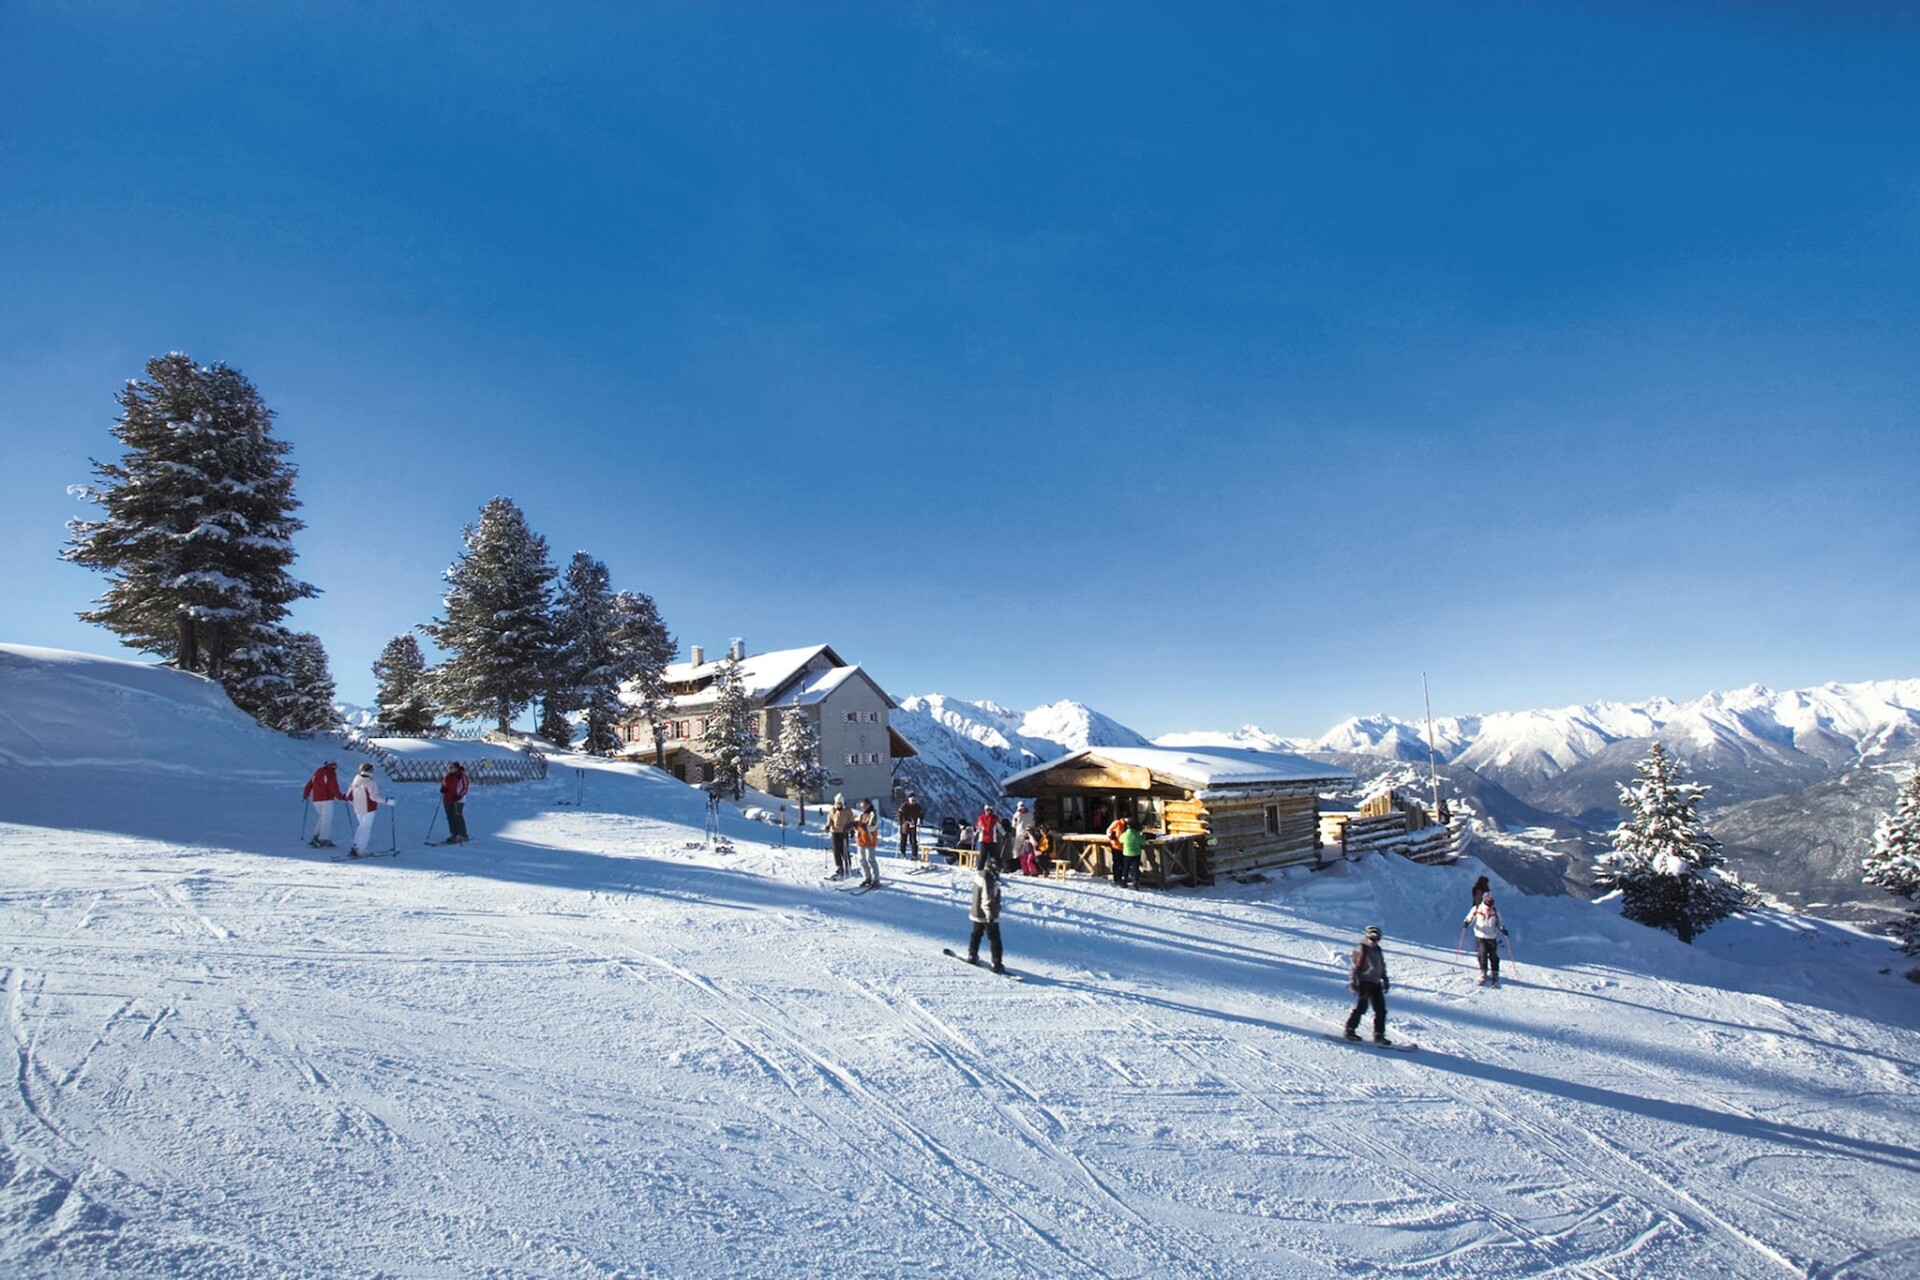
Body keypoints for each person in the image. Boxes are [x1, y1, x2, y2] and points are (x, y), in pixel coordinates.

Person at [1343, 925, 1394, 1045]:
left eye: (1376, 939)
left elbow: (1381, 965)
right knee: (1362, 1007)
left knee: (1381, 1010)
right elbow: (1354, 966)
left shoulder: (1378, 949)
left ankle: (1379, 1034)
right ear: (1367, 937)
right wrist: (1353, 981)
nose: (1373, 941)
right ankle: (1350, 1030)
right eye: (1371, 938)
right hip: (1364, 981)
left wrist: (1385, 979)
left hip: (1376, 982)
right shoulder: (1362, 948)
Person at [964, 853, 1006, 974]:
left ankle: (972, 955)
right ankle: (996, 963)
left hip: (977, 912)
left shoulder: (981, 874)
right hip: (987, 914)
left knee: (976, 934)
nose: (1000, 871)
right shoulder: (988, 878)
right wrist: (990, 915)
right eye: (999, 868)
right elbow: (987, 898)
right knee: (995, 939)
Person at [1464, 892, 1508, 986]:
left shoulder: (1494, 911)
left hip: (1491, 936)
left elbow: (1499, 922)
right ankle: (1483, 973)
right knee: (1482, 954)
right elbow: (1470, 917)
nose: (1490, 902)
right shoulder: (1477, 908)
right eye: (1488, 900)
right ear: (1484, 900)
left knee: (1493, 955)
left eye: (1491, 900)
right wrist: (1466, 922)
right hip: (1480, 935)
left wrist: (1502, 929)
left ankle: (1495, 973)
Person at [345, 762, 386, 858]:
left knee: (361, 826)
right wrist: (386, 801)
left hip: (358, 808)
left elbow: (349, 795)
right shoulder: (371, 782)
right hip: (369, 808)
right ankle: (361, 849)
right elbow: (373, 797)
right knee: (366, 829)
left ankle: (356, 845)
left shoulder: (356, 779)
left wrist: (356, 803)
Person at [302, 760, 345, 848]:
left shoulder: (318, 771)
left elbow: (309, 784)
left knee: (322, 818)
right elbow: (333, 787)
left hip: (316, 800)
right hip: (326, 799)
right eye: (334, 765)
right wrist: (341, 797)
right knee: (327, 819)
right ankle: (323, 839)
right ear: (331, 766)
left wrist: (306, 794)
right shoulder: (331, 774)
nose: (336, 767)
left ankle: (316, 835)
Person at [440, 762, 470, 844]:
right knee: (450, 817)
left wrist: (459, 796)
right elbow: (444, 784)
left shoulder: (461, 776)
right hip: (447, 799)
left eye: (451, 767)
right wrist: (443, 789)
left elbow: (465, 787)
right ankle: (454, 833)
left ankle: (463, 834)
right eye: (449, 767)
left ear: (456, 768)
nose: (449, 769)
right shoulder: (448, 776)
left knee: (457, 816)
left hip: (457, 800)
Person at [826, 795, 856, 879]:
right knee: (836, 850)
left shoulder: (847, 810)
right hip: (835, 832)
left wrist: (851, 829)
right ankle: (839, 866)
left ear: (843, 803)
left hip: (844, 832)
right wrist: (828, 826)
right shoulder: (833, 810)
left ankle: (847, 865)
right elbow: (830, 820)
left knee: (844, 849)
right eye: (837, 803)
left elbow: (851, 821)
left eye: (840, 803)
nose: (839, 804)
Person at [854, 799, 881, 887]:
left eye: (864, 806)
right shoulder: (861, 814)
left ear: (868, 805)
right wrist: (854, 825)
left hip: (869, 840)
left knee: (871, 859)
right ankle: (867, 878)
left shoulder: (873, 814)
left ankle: (876, 879)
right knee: (862, 859)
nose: (863, 808)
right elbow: (857, 824)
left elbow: (872, 827)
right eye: (862, 806)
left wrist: (862, 825)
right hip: (861, 840)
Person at [1117, 818, 1145, 889]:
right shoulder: (1137, 834)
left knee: (1126, 868)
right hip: (1136, 853)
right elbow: (1142, 842)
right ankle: (1136, 882)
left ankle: (1124, 881)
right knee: (1136, 868)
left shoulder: (1125, 834)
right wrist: (1143, 836)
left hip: (1127, 853)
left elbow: (1120, 840)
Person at [896, 794, 925, 861]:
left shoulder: (917, 806)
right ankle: (903, 853)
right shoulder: (904, 805)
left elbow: (921, 813)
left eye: (915, 800)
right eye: (912, 800)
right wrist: (901, 822)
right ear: (909, 799)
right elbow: (899, 814)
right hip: (905, 826)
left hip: (913, 825)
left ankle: (914, 855)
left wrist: (920, 820)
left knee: (913, 841)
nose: (913, 801)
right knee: (903, 840)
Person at [1009, 801, 1035, 872]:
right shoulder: (1030, 814)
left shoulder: (1017, 814)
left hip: (1020, 834)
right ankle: (1030, 864)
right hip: (1029, 834)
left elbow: (1013, 824)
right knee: (1030, 850)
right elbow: (1033, 823)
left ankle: (1017, 864)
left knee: (1017, 849)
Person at [974, 804, 1001, 871]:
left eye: (990, 810)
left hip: (992, 839)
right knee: (983, 855)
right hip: (984, 839)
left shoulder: (995, 818)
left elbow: (999, 827)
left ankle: (992, 869)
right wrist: (977, 831)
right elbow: (978, 827)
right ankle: (980, 869)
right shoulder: (981, 818)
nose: (988, 812)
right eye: (987, 810)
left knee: (992, 856)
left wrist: (1004, 833)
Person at [1105, 812, 1130, 884]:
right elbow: (1109, 830)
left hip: (1124, 847)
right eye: (1128, 818)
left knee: (1123, 863)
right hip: (1116, 846)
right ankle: (1116, 878)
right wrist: (1111, 836)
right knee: (1117, 863)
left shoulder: (1128, 825)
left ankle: (1121, 877)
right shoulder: (1117, 823)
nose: (1129, 819)